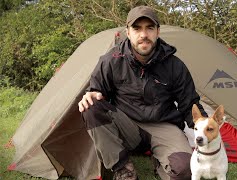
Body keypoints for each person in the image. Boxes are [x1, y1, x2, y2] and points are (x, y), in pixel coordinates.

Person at [78, 5, 207, 180]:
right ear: (128, 32)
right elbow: (96, 90)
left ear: (158, 31)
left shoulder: (175, 65)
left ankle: (162, 164)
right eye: (137, 28)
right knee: (90, 105)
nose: (143, 35)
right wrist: (91, 94)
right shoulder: (110, 61)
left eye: (149, 28)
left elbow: (190, 104)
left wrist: (207, 128)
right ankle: (123, 170)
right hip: (127, 125)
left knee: (185, 171)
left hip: (164, 125)